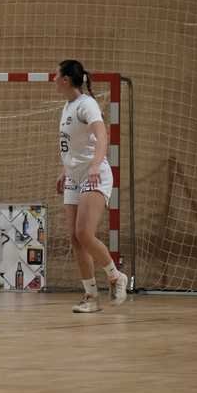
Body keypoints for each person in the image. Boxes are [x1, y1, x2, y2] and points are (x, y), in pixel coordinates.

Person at [54, 59, 128, 313]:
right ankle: (91, 297)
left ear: (66, 80)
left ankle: (115, 276)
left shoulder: (87, 104)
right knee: (75, 239)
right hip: (74, 177)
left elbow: (102, 135)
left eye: (56, 75)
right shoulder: (67, 106)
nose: (53, 79)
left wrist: (95, 165)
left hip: (94, 175)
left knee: (84, 233)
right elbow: (73, 146)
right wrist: (65, 170)